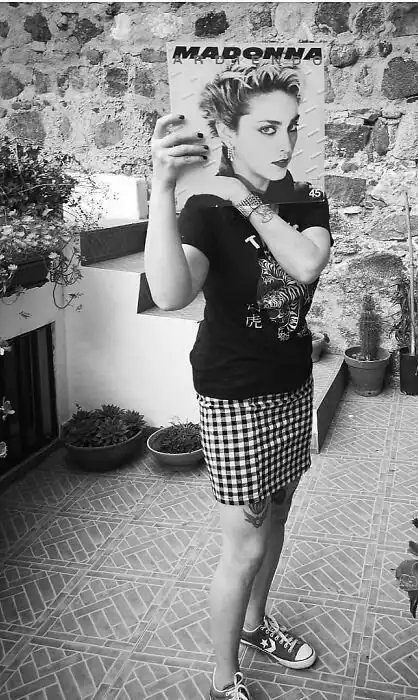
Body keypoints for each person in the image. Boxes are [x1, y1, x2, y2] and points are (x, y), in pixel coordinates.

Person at [144, 63, 332, 700]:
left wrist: (244, 196)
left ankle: (255, 626)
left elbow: (304, 263)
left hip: (291, 383)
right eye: (267, 129)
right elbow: (170, 293)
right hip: (234, 395)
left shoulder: (304, 197)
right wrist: (162, 190)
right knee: (245, 546)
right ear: (227, 131)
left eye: (292, 127)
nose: (285, 143)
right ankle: (224, 682)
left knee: (277, 518)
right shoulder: (203, 209)